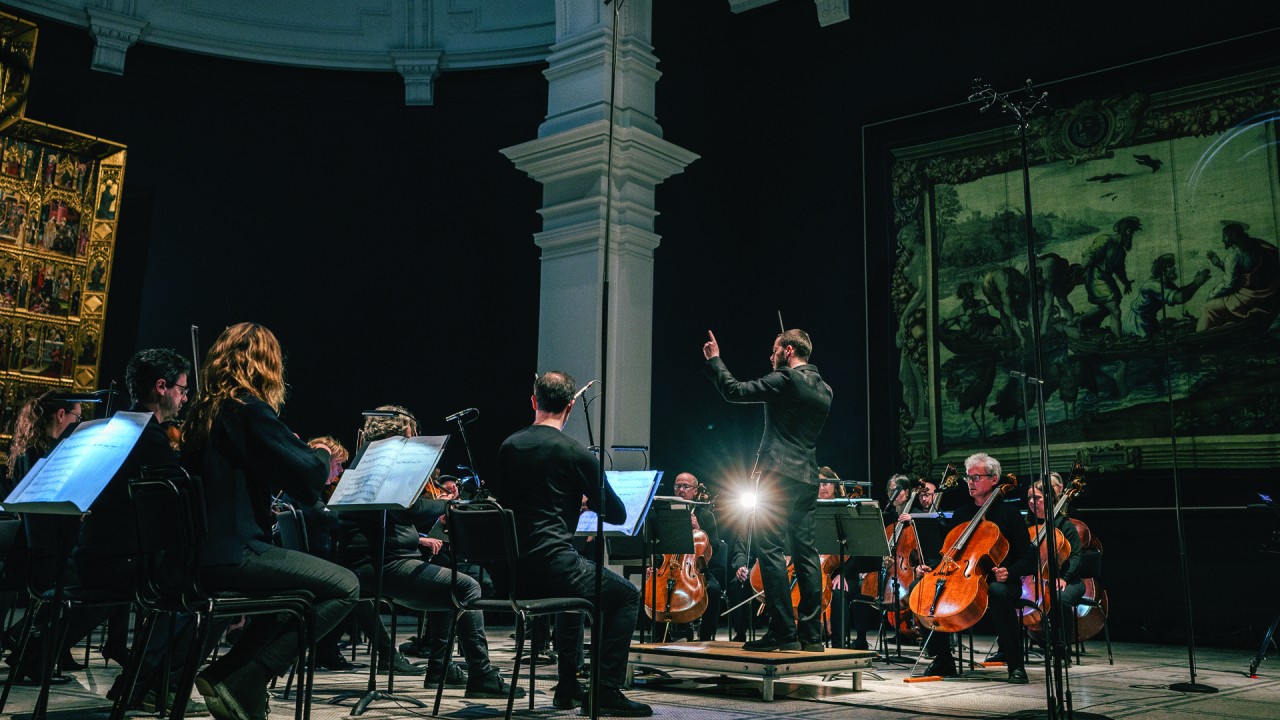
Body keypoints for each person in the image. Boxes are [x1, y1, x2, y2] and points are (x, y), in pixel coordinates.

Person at [180, 322, 360, 720]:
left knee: (296, 594)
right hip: (235, 551)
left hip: (196, 556)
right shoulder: (247, 409)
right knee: (345, 585)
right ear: (265, 364)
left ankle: (232, 674)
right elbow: (308, 478)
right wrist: (317, 454)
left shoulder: (200, 412)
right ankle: (248, 674)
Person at [330, 404, 518, 695]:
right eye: (413, 432)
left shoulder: (366, 462)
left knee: (448, 582)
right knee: (466, 588)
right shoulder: (387, 463)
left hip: (368, 564)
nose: (416, 437)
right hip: (381, 566)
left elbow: (402, 514)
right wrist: (449, 505)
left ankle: (440, 669)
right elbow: (408, 511)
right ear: (403, 432)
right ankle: (481, 675)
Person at [493, 371, 650, 716]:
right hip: (553, 568)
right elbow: (618, 513)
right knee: (626, 595)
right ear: (571, 405)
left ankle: (568, 686)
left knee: (577, 593)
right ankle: (606, 691)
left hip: (512, 575)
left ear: (534, 401)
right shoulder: (575, 453)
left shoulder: (508, 446)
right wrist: (587, 501)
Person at [70, 349, 210, 712]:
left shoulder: (114, 428)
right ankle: (147, 685)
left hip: (91, 555)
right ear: (161, 387)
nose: (184, 397)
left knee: (185, 584)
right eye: (182, 389)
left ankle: (144, 684)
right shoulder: (147, 439)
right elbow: (179, 506)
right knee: (198, 590)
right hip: (118, 561)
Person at [702, 328, 832, 652]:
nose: (770, 357)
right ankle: (811, 636)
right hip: (807, 477)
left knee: (769, 549)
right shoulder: (826, 389)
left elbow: (735, 391)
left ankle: (784, 632)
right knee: (806, 553)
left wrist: (715, 360)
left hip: (778, 475)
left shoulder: (786, 379)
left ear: (788, 351)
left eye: (774, 351)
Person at [916, 453, 1035, 683]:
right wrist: (929, 567)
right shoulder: (962, 513)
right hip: (963, 577)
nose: (970, 482)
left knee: (998, 594)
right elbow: (949, 553)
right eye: (968, 478)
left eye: (976, 477)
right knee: (921, 589)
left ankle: (1015, 664)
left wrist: (1009, 571)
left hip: (1001, 580)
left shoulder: (1009, 514)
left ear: (994, 479)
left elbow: (1028, 557)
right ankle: (943, 659)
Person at [1001, 472, 1085, 663]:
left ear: (1048, 498)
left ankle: (1062, 649)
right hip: (1035, 579)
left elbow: (1076, 557)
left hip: (1068, 579)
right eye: (1029, 497)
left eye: (1036, 497)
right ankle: (1007, 648)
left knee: (1058, 599)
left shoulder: (1064, 525)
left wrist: (1065, 577)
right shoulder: (1027, 525)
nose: (1032, 501)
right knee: (1005, 595)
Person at [670, 472, 724, 641]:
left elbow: (715, 547)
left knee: (713, 590)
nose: (681, 490)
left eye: (685, 487)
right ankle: (662, 635)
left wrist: (699, 529)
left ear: (695, 491)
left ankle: (706, 636)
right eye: (677, 486)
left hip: (697, 568)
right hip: (670, 567)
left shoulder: (706, 516)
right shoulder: (667, 513)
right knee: (654, 589)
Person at [1198, 221, 1280, 331]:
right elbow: (1243, 271)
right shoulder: (1257, 247)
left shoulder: (1234, 256)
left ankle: (1200, 340)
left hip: (1246, 300)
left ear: (1232, 236)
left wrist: (1212, 294)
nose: (1222, 240)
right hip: (1265, 297)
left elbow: (1229, 285)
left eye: (1224, 236)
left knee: (1208, 308)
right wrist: (1219, 264)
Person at [1077, 216, 1140, 335]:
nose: (1131, 236)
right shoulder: (1105, 239)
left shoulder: (1121, 252)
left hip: (1107, 279)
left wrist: (1126, 283)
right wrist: (1082, 267)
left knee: (1107, 307)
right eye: (1130, 231)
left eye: (1133, 232)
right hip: (1095, 278)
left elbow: (1120, 270)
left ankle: (1081, 320)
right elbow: (1091, 253)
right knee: (1115, 310)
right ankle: (1118, 340)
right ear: (1123, 230)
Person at [1122, 253, 1211, 338]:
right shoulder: (1153, 285)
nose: (1174, 268)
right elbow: (1179, 298)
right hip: (1137, 323)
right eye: (1170, 266)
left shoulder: (1167, 284)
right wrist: (1196, 284)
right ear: (1162, 270)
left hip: (1148, 320)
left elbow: (1179, 291)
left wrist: (1194, 282)